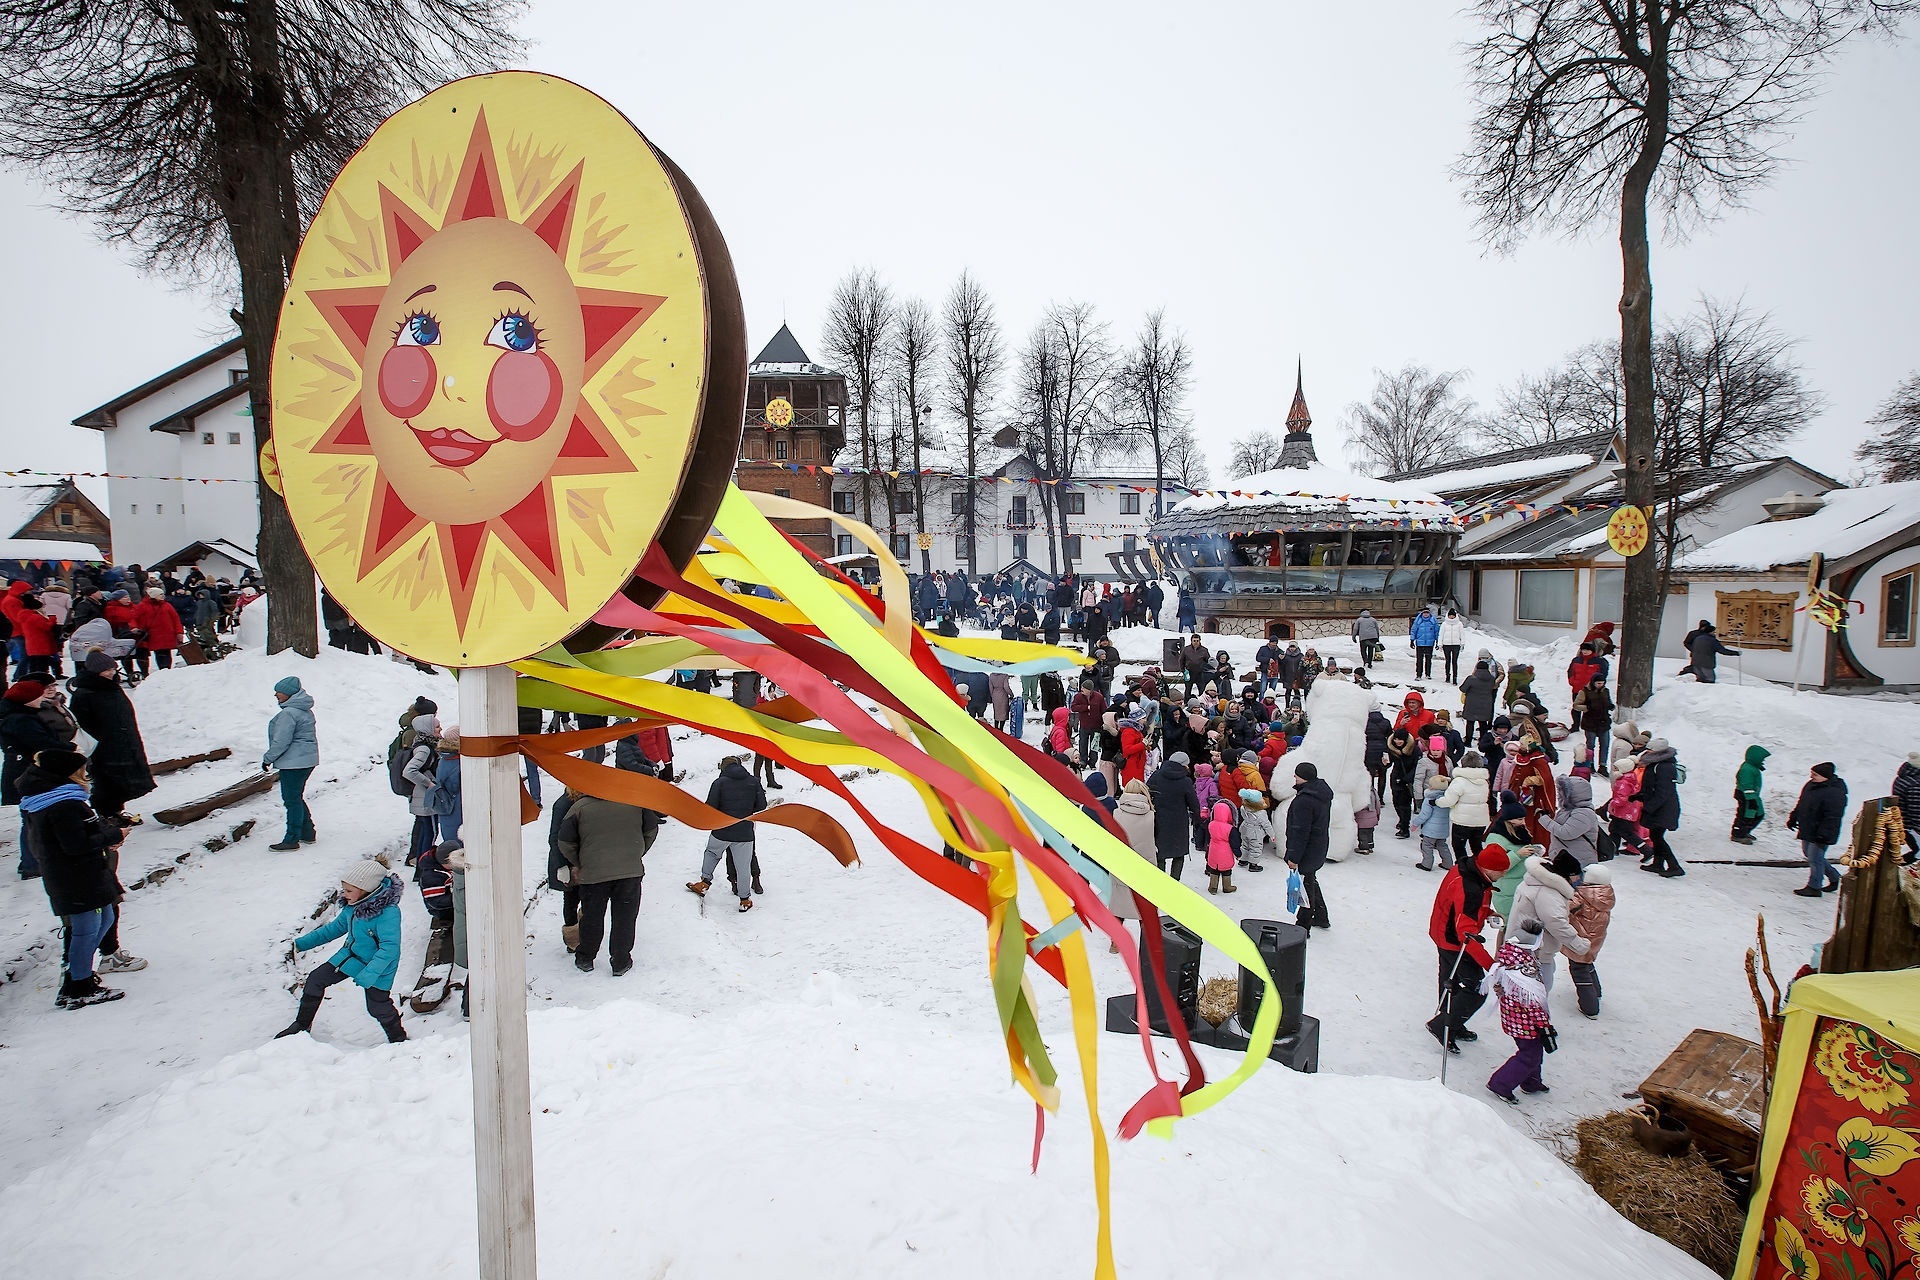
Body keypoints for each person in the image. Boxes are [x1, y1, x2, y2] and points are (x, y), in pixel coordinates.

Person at [19, 748, 130, 1008]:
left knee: (105, 918)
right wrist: (114, 836)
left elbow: (81, 833)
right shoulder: (61, 804)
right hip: (74, 876)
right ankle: (78, 986)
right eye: (81, 771)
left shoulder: (59, 798)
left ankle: (78, 975)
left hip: (85, 871)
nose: (86, 775)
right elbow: (75, 844)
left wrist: (106, 832)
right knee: (85, 929)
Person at [277, 859, 407, 1042]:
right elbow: (333, 929)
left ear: (366, 889)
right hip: (351, 957)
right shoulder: (353, 907)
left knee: (377, 1006)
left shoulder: (388, 912)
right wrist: (300, 944)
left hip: (380, 966)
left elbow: (390, 949)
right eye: (344, 890)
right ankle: (302, 1024)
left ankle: (398, 1038)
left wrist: (370, 973)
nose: (344, 894)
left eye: (348, 891)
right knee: (316, 979)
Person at [557, 782, 657, 974]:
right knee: (625, 918)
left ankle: (585, 957)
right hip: (629, 872)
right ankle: (620, 961)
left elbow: (564, 841)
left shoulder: (579, 808)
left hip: (593, 874)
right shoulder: (634, 802)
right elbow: (651, 830)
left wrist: (580, 860)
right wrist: (637, 852)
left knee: (592, 916)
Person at [1427, 844, 1511, 1052]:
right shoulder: (1471, 887)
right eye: (1502, 871)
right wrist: (1490, 965)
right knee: (1477, 988)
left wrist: (1486, 913)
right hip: (1455, 942)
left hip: (1442, 933)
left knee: (1450, 981)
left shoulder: (1469, 869)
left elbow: (1463, 909)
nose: (1504, 875)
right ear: (1489, 869)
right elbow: (1465, 933)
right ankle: (1443, 1026)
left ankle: (1450, 1022)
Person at [68, 650, 153, 826]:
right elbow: (82, 723)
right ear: (95, 671)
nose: (111, 672)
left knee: (122, 778)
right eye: (106, 670)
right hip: (103, 745)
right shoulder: (85, 693)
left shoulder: (111, 687)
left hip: (123, 740)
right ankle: (106, 815)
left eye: (112, 668)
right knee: (106, 780)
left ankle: (116, 811)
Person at [2, 678, 75, 879]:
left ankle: (32, 862)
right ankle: (31, 864)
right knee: (33, 818)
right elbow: (41, 743)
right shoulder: (21, 720)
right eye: (38, 694)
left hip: (25, 772)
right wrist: (70, 749)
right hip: (28, 774)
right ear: (27, 699)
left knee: (32, 817)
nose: (43, 696)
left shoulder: (21, 715)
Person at [1484, 920, 1552, 1104]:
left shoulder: (1508, 959)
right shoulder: (1525, 970)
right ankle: (1500, 1083)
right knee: (1529, 1056)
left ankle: (1532, 1082)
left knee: (1534, 1052)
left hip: (1512, 1017)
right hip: (1526, 1023)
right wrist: (1544, 1025)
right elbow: (1534, 1003)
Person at [1510, 849, 1591, 997]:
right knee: (1540, 988)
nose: (1579, 879)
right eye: (1577, 876)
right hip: (1537, 948)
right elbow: (1556, 923)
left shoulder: (1535, 881)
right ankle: (1534, 1016)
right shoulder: (1548, 892)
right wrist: (1578, 944)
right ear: (1570, 875)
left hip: (1525, 942)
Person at [690, 756, 767, 913]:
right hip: (745, 832)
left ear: (723, 769)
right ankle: (744, 900)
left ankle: (704, 883)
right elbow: (762, 805)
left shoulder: (719, 783)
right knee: (743, 866)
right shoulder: (753, 781)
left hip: (722, 829)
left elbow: (710, 806)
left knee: (712, 853)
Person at [262, 675, 319, 850]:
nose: (276, 695)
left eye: (279, 692)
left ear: (289, 693)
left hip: (293, 763)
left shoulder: (288, 713)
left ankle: (291, 839)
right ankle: (308, 832)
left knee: (291, 800)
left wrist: (268, 758)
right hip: (306, 760)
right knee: (296, 797)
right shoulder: (304, 710)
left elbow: (281, 741)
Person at [1787, 762, 1848, 898]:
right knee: (1810, 854)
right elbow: (1801, 802)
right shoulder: (1811, 785)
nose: (1811, 776)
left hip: (1821, 832)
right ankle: (1834, 876)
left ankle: (1814, 887)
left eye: (1815, 774)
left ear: (1825, 776)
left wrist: (1824, 835)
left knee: (1815, 858)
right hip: (1808, 827)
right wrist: (1794, 817)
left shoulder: (1835, 792)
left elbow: (1833, 817)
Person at [1285, 760, 1333, 931]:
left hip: (1306, 851)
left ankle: (1303, 925)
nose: (1294, 778)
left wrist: (1293, 857)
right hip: (1318, 846)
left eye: (1297, 775)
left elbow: (1300, 831)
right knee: (1310, 880)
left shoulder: (1304, 801)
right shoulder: (1321, 794)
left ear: (1304, 778)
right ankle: (1321, 916)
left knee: (1305, 887)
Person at [1146, 751, 1204, 882]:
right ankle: (1174, 882)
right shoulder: (1185, 781)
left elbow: (1146, 792)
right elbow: (1193, 803)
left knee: (1160, 852)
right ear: (1183, 765)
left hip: (1158, 821)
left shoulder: (1156, 775)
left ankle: (1161, 882)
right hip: (1179, 823)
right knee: (1179, 853)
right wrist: (1198, 820)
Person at [1567, 862, 1614, 1018]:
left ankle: (1590, 1007)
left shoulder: (1581, 895)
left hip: (1581, 937)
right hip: (1596, 937)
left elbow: (1566, 907)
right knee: (1587, 963)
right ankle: (1596, 991)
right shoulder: (1605, 894)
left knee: (1579, 971)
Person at [1634, 737, 1685, 877]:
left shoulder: (1663, 767)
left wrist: (1649, 807)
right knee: (1655, 835)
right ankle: (1658, 863)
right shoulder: (1658, 764)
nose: (1646, 752)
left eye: (1650, 749)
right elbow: (1651, 787)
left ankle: (1674, 866)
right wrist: (1639, 796)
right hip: (1661, 806)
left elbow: (1663, 791)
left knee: (1657, 837)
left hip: (1663, 808)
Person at [1437, 748, 1491, 863]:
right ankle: (1481, 866)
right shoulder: (1484, 781)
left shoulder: (1459, 781)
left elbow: (1449, 800)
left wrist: (1437, 801)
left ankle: (1463, 867)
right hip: (1480, 819)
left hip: (1462, 820)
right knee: (1476, 845)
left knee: (1459, 846)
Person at [401, 713, 441, 865]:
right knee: (429, 833)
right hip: (425, 799)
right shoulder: (425, 749)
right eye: (437, 726)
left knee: (427, 832)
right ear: (428, 728)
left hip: (424, 798)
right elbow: (409, 771)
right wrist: (429, 783)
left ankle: (422, 866)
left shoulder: (425, 744)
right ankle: (424, 868)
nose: (440, 729)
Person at [1538, 774, 1600, 868]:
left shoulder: (1583, 813)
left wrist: (1545, 820)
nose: (1559, 795)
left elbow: (1566, 833)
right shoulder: (1567, 810)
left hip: (1578, 861)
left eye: (1561, 792)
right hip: (1566, 858)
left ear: (1572, 795)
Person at [130, 587, 184, 676]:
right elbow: (133, 617)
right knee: (158, 653)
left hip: (167, 634)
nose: (163, 596)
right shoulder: (143, 606)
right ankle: (160, 672)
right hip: (152, 635)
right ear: (154, 596)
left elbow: (176, 619)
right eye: (160, 594)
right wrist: (134, 627)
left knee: (165, 653)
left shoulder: (167, 605)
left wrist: (179, 631)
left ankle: (166, 671)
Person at [1415, 769, 1453, 872]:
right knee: (1442, 845)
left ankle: (1426, 864)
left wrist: (1415, 823)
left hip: (1431, 829)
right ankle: (1448, 863)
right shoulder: (1448, 798)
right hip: (1443, 828)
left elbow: (1424, 814)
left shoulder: (1429, 798)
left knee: (1427, 846)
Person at [1731, 745, 1769, 845]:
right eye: (1762, 759)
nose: (1763, 761)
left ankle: (1744, 831)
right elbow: (1746, 785)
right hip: (1746, 796)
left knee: (1756, 814)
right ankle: (1738, 834)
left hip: (1752, 795)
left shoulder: (1752, 767)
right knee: (1746, 815)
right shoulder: (1747, 769)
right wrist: (1751, 799)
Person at [1204, 798, 1238, 895]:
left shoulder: (1211, 824)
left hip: (1213, 850)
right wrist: (1238, 854)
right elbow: (1234, 843)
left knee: (1214, 869)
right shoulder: (1230, 828)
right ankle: (1227, 887)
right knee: (1226, 870)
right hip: (1225, 852)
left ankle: (1213, 887)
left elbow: (1208, 837)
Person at [1894, 752, 1920, 862]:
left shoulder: (1905, 777)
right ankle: (1899, 869)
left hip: (1905, 826)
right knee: (1917, 855)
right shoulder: (1915, 784)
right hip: (1911, 828)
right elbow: (1916, 813)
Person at [1409, 606, 1440, 680]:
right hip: (1420, 643)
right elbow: (1413, 630)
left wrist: (1437, 641)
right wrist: (1412, 640)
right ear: (1422, 614)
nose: (1426, 614)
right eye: (1424, 613)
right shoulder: (1418, 621)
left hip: (1430, 643)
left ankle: (1428, 674)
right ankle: (1419, 675)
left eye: (1427, 613)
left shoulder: (1433, 621)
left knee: (1428, 659)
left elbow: (1437, 632)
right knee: (1419, 660)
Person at [1439, 608, 1466, 683]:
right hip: (1446, 644)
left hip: (1456, 645)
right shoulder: (1444, 624)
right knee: (1447, 661)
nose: (1451, 617)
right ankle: (1447, 676)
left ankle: (1455, 677)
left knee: (1455, 661)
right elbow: (1441, 634)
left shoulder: (1459, 624)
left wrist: (1462, 643)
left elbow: (1462, 634)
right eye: (1450, 615)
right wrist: (1440, 644)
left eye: (1453, 615)